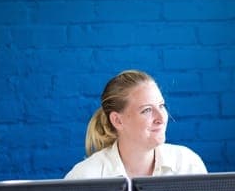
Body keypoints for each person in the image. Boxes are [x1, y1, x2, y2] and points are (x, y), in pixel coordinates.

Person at [65, 70, 206, 179]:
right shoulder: (85, 177)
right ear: (117, 120)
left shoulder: (188, 165)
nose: (161, 118)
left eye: (161, 106)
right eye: (147, 110)